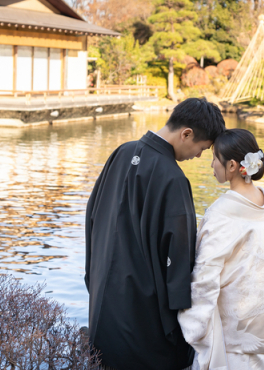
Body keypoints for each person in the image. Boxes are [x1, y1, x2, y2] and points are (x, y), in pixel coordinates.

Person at [85, 98, 226, 370]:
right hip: (143, 314)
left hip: (103, 300)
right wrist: (181, 323)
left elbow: (92, 218)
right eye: (201, 148)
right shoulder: (172, 178)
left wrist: (93, 275)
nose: (198, 156)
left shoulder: (121, 153)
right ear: (186, 133)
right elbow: (179, 253)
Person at [178, 129, 264, 370]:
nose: (212, 164)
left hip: (235, 344)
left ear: (232, 165)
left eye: (215, 157)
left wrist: (194, 331)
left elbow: (204, 278)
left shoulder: (221, 213)